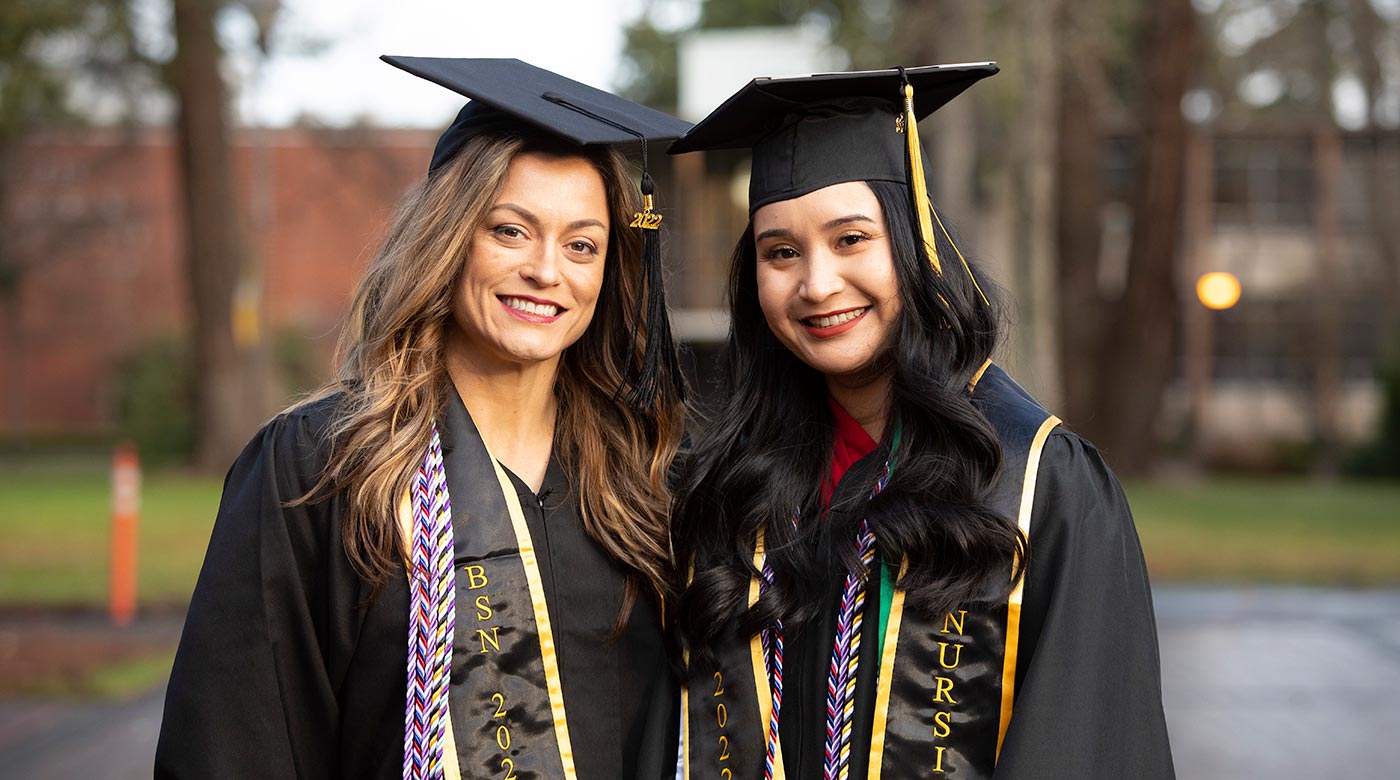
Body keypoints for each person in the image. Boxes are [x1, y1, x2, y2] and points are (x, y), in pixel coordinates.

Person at [156, 57, 689, 780]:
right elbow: (236, 741)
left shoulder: (639, 478)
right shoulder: (324, 466)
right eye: (510, 231)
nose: (546, 270)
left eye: (581, 245)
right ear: (449, 237)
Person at [667, 65, 1175, 779]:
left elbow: (1087, 742)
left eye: (851, 240)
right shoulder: (737, 488)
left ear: (915, 247)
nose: (816, 284)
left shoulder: (1037, 479)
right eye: (780, 252)